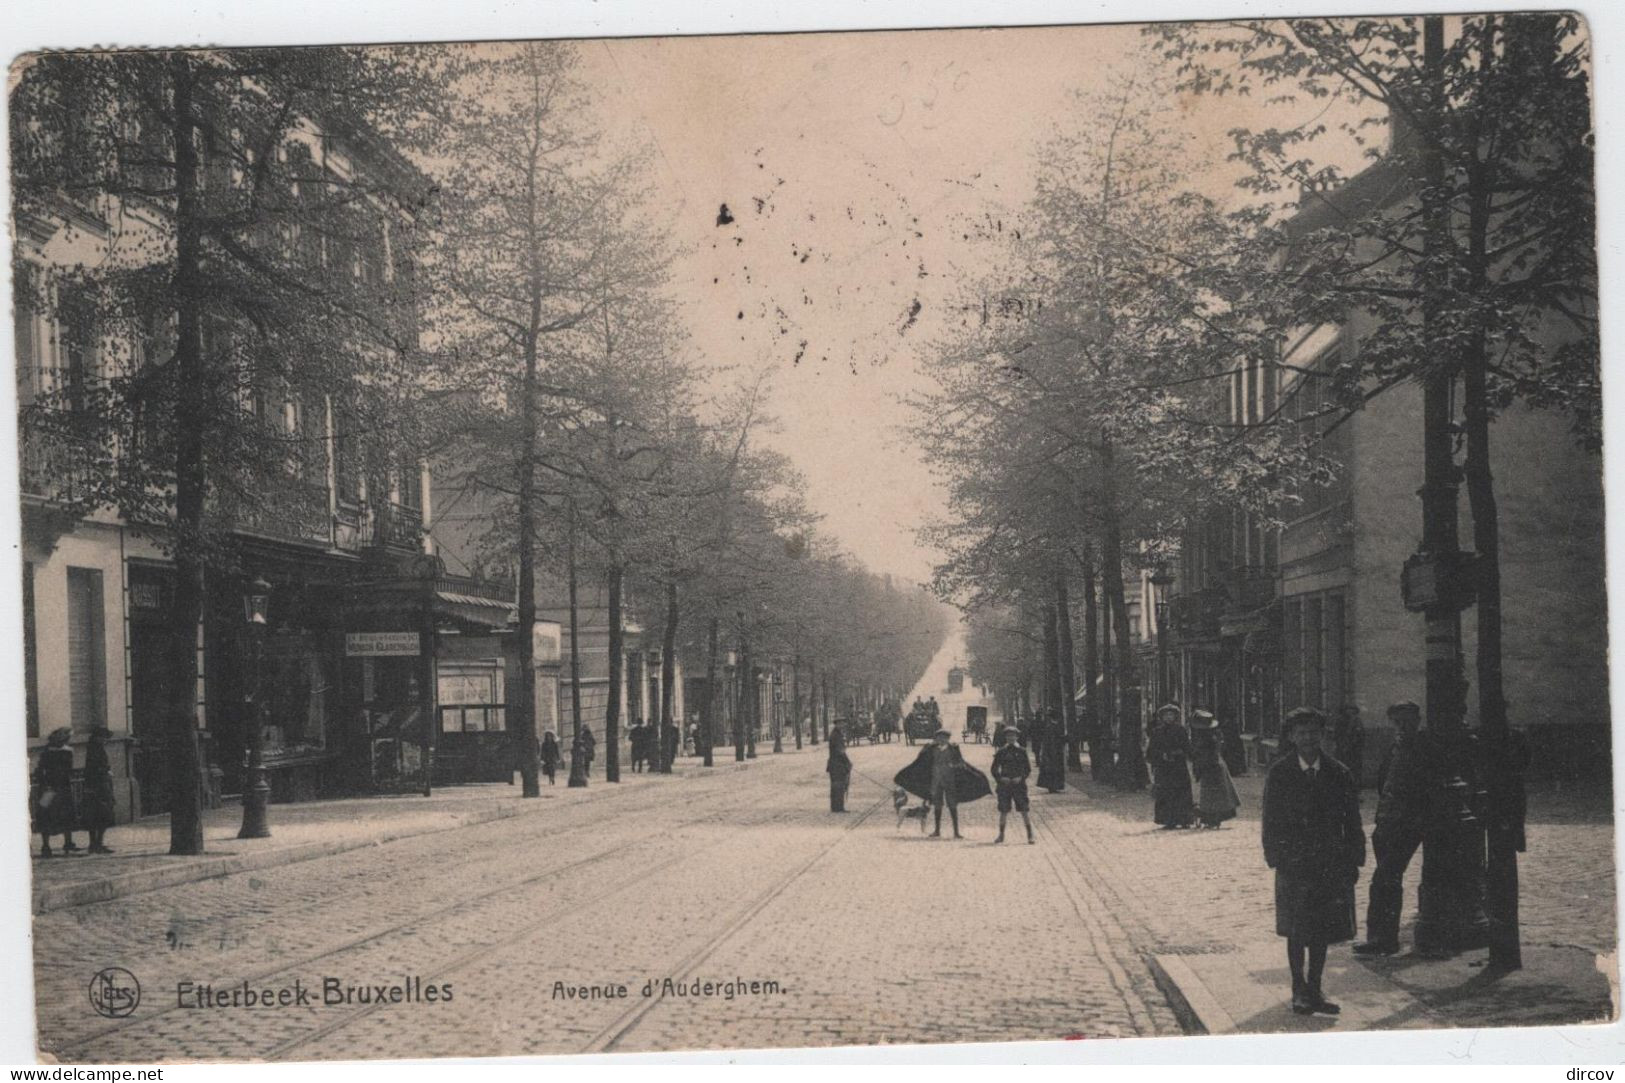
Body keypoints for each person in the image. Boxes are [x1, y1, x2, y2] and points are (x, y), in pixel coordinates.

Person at [1262, 707, 1366, 1016]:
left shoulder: (1338, 772)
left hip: (1328, 862)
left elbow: (1353, 819)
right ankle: (1298, 989)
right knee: (1296, 929)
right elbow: (1270, 820)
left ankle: (1316, 987)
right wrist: (1276, 856)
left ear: (1322, 736)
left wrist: (1353, 860)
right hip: (1294, 863)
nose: (1308, 738)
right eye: (1301, 733)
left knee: (1321, 929)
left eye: (1313, 732)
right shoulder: (1280, 773)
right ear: (1292, 737)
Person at [1353, 702, 1427, 956]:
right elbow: (1384, 784)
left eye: (1407, 721)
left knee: (1384, 880)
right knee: (1385, 880)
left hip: (1407, 824)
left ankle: (1383, 939)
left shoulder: (1421, 748)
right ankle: (1381, 937)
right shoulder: (1396, 747)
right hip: (1387, 822)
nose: (1403, 726)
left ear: (1417, 720)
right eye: (1398, 721)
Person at [895, 728, 991, 839]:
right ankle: (937, 830)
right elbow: (920, 761)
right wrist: (924, 749)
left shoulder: (954, 749)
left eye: (944, 738)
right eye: (939, 738)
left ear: (948, 739)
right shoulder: (931, 749)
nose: (942, 740)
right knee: (937, 806)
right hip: (936, 782)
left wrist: (954, 766)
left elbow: (961, 763)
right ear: (936, 738)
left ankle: (956, 832)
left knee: (952, 806)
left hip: (950, 782)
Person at [31, 727, 80, 858]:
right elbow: (42, 770)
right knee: (47, 815)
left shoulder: (51, 751)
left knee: (61, 814)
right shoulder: (54, 752)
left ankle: (64, 842)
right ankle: (48, 845)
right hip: (53, 788)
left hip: (55, 788)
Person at [1147, 704, 1196, 829]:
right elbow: (1151, 751)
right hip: (1164, 768)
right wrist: (1160, 756)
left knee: (1181, 792)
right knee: (1166, 793)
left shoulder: (1181, 730)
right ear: (1162, 717)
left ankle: (1184, 819)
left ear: (1175, 716)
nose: (1169, 717)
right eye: (1166, 715)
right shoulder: (1157, 732)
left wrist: (1182, 753)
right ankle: (1168, 820)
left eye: (1171, 715)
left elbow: (1187, 748)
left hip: (1178, 767)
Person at [1190, 710, 1240, 829]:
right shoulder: (1214, 735)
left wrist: (1200, 767)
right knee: (1217, 794)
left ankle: (1212, 818)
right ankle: (1215, 818)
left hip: (1211, 767)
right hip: (1215, 766)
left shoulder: (1207, 738)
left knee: (1211, 794)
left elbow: (1206, 755)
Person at [991, 723, 1035, 845]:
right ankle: (1001, 835)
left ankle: (1030, 834)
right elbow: (994, 769)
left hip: (1019, 786)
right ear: (1005, 737)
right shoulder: (1001, 751)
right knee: (1003, 810)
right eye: (1008, 736)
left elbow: (1027, 769)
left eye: (1013, 736)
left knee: (1024, 810)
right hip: (1005, 786)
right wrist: (1001, 779)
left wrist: (1021, 778)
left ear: (1017, 737)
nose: (1011, 738)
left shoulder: (1022, 751)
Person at [83, 726, 117, 853]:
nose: (105, 740)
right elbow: (94, 768)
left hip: (97, 786)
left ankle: (95, 843)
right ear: (98, 738)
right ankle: (97, 843)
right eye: (104, 738)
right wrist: (106, 771)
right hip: (99, 786)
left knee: (95, 816)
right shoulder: (95, 750)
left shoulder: (93, 748)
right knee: (102, 814)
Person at [1333, 704, 1367, 793]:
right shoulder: (1340, 721)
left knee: (1355, 771)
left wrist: (1356, 743)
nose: (1351, 712)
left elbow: (1361, 735)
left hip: (1355, 751)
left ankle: (1355, 790)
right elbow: (1337, 735)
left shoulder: (1357, 721)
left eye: (1352, 710)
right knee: (1342, 769)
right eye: (1348, 709)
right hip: (1343, 750)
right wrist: (1342, 745)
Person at [1037, 706, 1066, 792]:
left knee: (1049, 769)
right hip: (1054, 752)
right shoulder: (1054, 727)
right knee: (1054, 768)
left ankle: (1051, 786)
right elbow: (1054, 740)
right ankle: (1053, 786)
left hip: (1049, 751)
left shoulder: (1049, 727)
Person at [826, 722, 853, 812]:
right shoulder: (836, 736)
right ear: (837, 724)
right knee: (839, 786)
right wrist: (848, 762)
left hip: (834, 764)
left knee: (835, 786)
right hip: (838, 765)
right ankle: (838, 807)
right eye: (841, 724)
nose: (843, 725)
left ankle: (835, 807)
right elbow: (840, 752)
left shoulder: (836, 734)